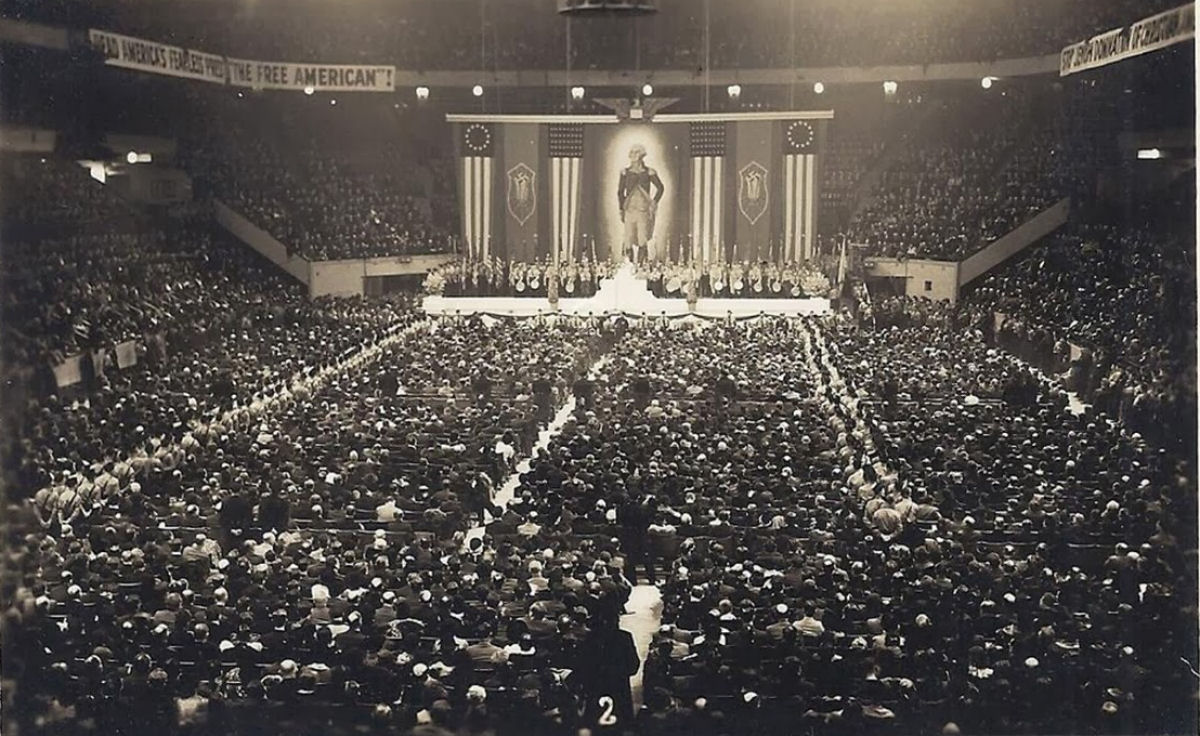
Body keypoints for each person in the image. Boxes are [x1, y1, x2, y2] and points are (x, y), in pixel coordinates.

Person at [617, 144, 664, 263]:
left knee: (642, 238)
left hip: (643, 210)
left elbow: (660, 188)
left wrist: (654, 202)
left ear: (641, 155)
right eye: (631, 152)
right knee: (628, 238)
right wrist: (621, 209)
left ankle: (642, 266)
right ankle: (629, 266)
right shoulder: (625, 172)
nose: (632, 155)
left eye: (635, 152)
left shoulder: (649, 172)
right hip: (629, 209)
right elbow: (620, 192)